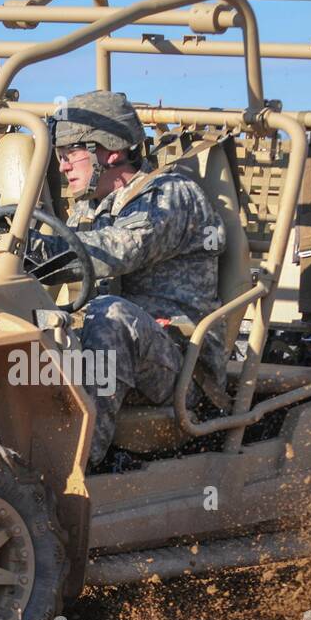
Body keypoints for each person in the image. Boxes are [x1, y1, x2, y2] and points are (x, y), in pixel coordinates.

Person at [47, 90, 228, 471]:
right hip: (123, 356)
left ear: (109, 151)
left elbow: (121, 248)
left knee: (111, 316)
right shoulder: (90, 206)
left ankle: (77, 469)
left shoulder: (171, 195)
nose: (63, 167)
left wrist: (43, 250)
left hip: (181, 367)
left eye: (70, 154)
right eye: (59, 156)